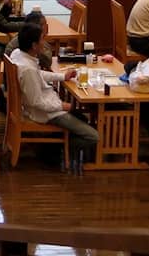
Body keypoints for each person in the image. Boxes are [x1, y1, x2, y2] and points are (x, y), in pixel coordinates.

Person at [11, 23, 98, 166]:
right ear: (34, 45)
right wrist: (63, 106)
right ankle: (54, 150)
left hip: (46, 103)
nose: (44, 43)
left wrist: (63, 76)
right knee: (93, 136)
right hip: (46, 113)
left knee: (81, 117)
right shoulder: (28, 70)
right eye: (41, 40)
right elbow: (36, 102)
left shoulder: (18, 54)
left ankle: (56, 144)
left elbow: (38, 75)